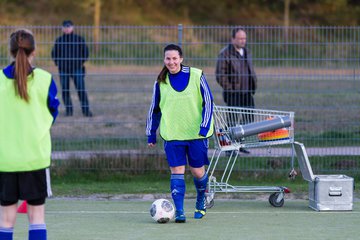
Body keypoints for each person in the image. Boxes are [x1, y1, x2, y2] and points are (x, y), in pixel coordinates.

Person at [0, 29, 59, 240]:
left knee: (6, 221)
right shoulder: (45, 79)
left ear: (10, 51)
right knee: (36, 218)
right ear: (34, 51)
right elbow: (53, 112)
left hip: (4, 161)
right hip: (34, 159)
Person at [146, 44, 214, 223]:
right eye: (168, 58)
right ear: (164, 60)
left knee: (198, 172)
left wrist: (205, 127)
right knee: (177, 171)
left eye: (174, 58)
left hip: (196, 134)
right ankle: (180, 211)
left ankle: (201, 200)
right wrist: (151, 133)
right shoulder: (160, 82)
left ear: (181, 59)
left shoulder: (196, 75)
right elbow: (154, 109)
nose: (171, 62)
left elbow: (209, 101)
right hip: (173, 134)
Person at [215, 27, 258, 154]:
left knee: (248, 119)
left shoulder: (247, 52)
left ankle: (240, 143)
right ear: (233, 39)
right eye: (239, 38)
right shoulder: (225, 53)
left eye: (244, 38)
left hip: (247, 92)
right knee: (232, 120)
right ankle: (229, 147)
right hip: (233, 93)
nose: (242, 41)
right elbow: (220, 75)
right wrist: (230, 89)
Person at [51, 20, 92, 117]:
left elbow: (85, 52)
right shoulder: (59, 40)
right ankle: (69, 111)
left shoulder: (79, 39)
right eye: (65, 27)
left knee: (81, 89)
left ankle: (86, 111)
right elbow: (54, 54)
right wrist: (59, 63)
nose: (67, 28)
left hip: (77, 68)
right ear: (62, 28)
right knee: (65, 90)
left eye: (68, 26)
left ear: (72, 28)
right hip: (63, 70)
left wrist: (79, 62)